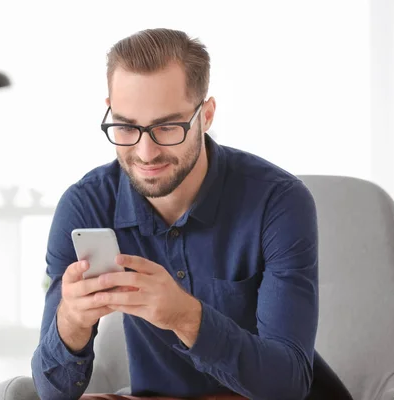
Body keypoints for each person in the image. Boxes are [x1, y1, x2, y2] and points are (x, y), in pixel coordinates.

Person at [31, 28, 351, 400]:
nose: (146, 152)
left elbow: (287, 386)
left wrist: (186, 317)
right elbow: (52, 392)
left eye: (167, 127)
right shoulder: (85, 205)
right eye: (126, 126)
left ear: (206, 115)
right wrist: (72, 320)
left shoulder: (279, 202)